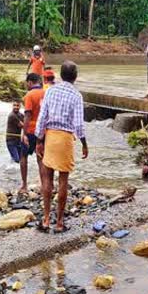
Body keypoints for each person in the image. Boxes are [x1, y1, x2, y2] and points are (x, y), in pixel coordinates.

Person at [35, 61, 88, 232]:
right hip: (65, 138)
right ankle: (59, 223)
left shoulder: (51, 90)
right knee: (63, 180)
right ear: (75, 77)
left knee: (47, 179)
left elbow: (42, 117)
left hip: (50, 136)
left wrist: (39, 140)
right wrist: (84, 144)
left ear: (60, 75)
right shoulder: (77, 95)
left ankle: (45, 219)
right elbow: (79, 125)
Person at [20, 73, 45, 193]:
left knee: (23, 156)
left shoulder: (29, 95)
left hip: (31, 130)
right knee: (41, 157)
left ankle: (24, 185)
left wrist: (24, 133)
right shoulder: (45, 93)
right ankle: (43, 184)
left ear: (30, 82)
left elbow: (28, 115)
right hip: (43, 130)